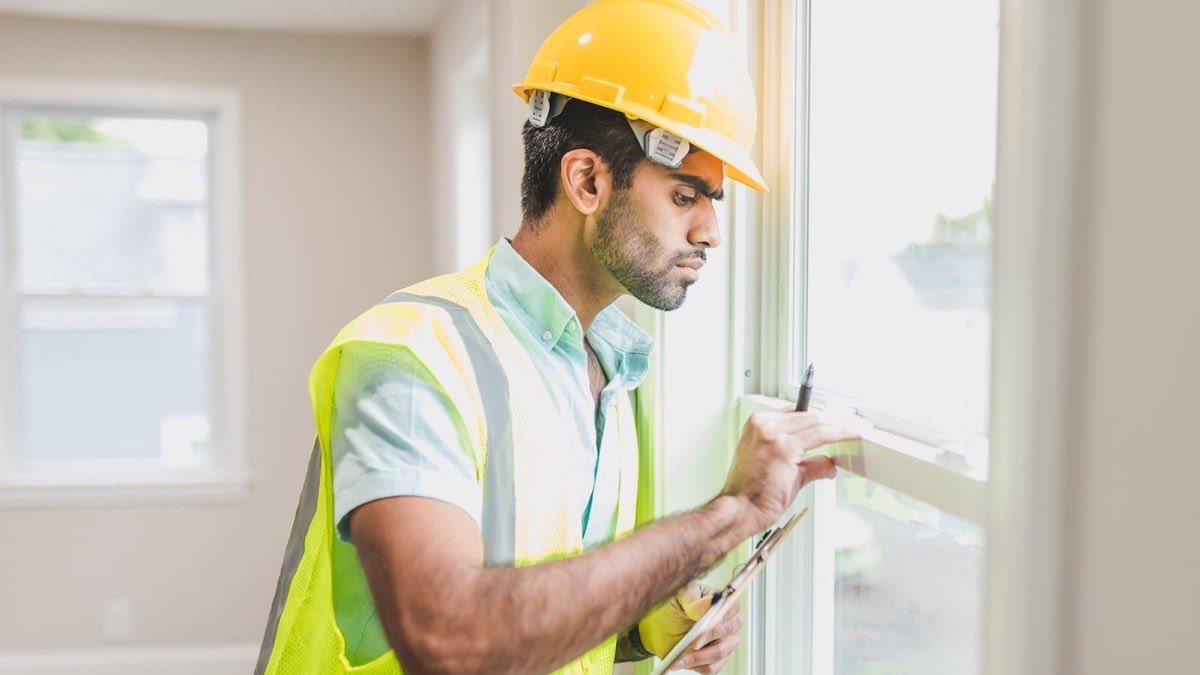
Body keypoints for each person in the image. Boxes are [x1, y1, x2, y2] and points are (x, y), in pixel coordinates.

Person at [256, 1, 860, 673]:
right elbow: (448, 638)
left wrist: (649, 629)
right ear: (587, 180)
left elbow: (540, 612)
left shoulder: (614, 373)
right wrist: (733, 510)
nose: (711, 232)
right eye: (687, 196)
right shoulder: (408, 356)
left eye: (713, 202)